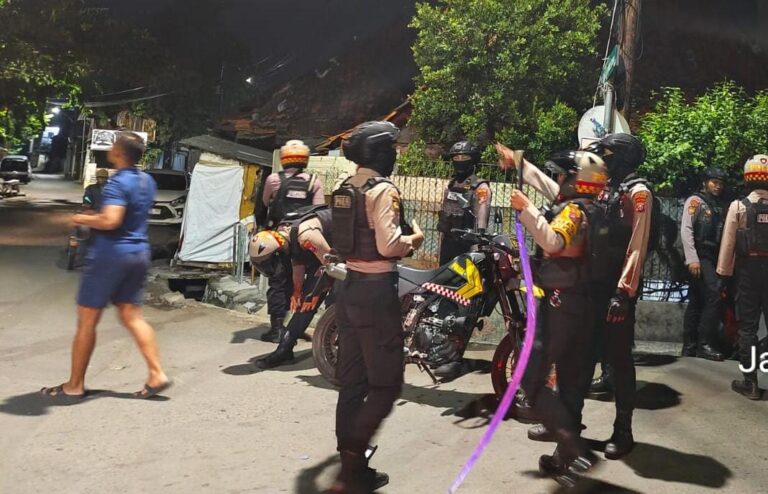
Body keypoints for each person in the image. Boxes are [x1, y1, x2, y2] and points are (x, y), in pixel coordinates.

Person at [499, 132, 653, 460]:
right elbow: (559, 191)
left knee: (618, 360)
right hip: (589, 288)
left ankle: (623, 429)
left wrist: (623, 292)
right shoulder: (600, 188)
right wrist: (521, 164)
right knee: (577, 364)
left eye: (605, 154)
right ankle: (567, 432)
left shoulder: (638, 192)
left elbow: (637, 246)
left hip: (615, 291)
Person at [328, 121, 424, 493]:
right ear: (381, 153)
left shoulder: (346, 187)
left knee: (352, 383)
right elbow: (388, 245)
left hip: (348, 288)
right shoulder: (382, 190)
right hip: (376, 291)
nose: (395, 155)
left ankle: (352, 467)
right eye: (392, 149)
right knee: (386, 384)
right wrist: (413, 240)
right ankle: (352, 464)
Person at [41, 132, 171, 401]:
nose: (110, 149)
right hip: (138, 252)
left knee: (87, 320)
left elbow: (111, 220)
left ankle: (74, 385)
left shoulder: (117, 183)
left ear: (119, 153)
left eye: (113, 146)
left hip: (110, 255)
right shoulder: (146, 181)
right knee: (131, 315)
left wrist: (81, 218)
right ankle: (156, 373)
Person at [509, 150, 608, 486]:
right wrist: (520, 164)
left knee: (531, 379)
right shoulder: (596, 209)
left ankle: (576, 450)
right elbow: (550, 188)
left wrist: (527, 209)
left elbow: (552, 242)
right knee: (572, 384)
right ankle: (565, 462)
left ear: (575, 180)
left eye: (564, 176)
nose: (559, 181)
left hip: (561, 306)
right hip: (586, 307)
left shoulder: (573, 212)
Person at [249, 205, 333, 368]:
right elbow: (297, 260)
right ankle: (285, 350)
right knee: (305, 303)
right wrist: (297, 291)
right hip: (325, 254)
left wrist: (317, 292)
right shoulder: (283, 235)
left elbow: (332, 265)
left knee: (337, 299)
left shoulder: (306, 236)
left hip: (343, 252)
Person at [259, 140, 325, 344]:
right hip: (305, 240)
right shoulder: (314, 181)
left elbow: (263, 204)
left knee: (278, 282)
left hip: (280, 239)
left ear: (284, 159)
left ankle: (277, 328)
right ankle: (296, 327)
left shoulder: (273, 180)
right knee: (305, 283)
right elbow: (320, 211)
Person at [717, 154, 768, 400]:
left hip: (748, 271)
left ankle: (751, 383)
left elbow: (728, 244)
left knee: (748, 328)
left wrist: (723, 275)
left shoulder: (739, 206)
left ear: (748, 178)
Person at [681, 167, 728, 360]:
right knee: (714, 295)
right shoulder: (695, 201)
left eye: (720, 183)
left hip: (711, 256)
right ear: (705, 182)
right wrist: (692, 259)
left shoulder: (716, 205)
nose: (718, 186)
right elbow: (686, 230)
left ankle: (690, 346)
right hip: (700, 255)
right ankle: (704, 344)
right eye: (714, 182)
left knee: (697, 300)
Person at [437, 141, 492, 265]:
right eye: (456, 158)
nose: (460, 160)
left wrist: (476, 248)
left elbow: (481, 221)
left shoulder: (480, 187)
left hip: (467, 247)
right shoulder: (451, 184)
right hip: (447, 245)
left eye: (464, 157)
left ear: (473, 160)